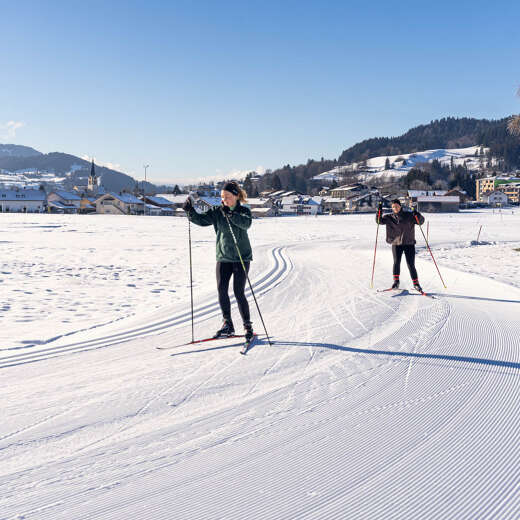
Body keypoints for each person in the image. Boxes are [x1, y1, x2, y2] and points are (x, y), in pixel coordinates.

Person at [183, 181, 254, 341]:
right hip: (223, 257)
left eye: (228, 197)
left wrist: (231, 214)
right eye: (223, 197)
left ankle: (247, 325)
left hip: (241, 257)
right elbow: (202, 220)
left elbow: (246, 224)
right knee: (222, 290)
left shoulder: (244, 211)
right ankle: (227, 324)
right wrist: (190, 212)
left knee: (238, 292)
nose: (225, 200)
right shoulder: (218, 211)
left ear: (236, 196)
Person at [376, 199, 425, 292]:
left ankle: (416, 284)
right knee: (396, 263)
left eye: (397, 206)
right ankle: (396, 282)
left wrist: (415, 212)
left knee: (411, 264)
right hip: (396, 243)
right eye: (393, 207)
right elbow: (379, 221)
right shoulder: (388, 217)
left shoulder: (409, 215)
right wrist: (379, 209)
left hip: (409, 243)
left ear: (400, 206)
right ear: (392, 208)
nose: (395, 208)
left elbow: (420, 221)